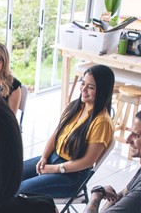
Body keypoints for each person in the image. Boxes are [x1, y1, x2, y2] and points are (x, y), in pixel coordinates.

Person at [18, 64, 114, 198]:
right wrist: (44, 157)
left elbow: (87, 161)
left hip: (72, 176)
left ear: (102, 91)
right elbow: (57, 133)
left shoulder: (102, 122)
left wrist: (56, 169)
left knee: (20, 190)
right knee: (10, 176)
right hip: (53, 158)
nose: (83, 89)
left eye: (90, 87)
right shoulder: (75, 106)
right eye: (83, 83)